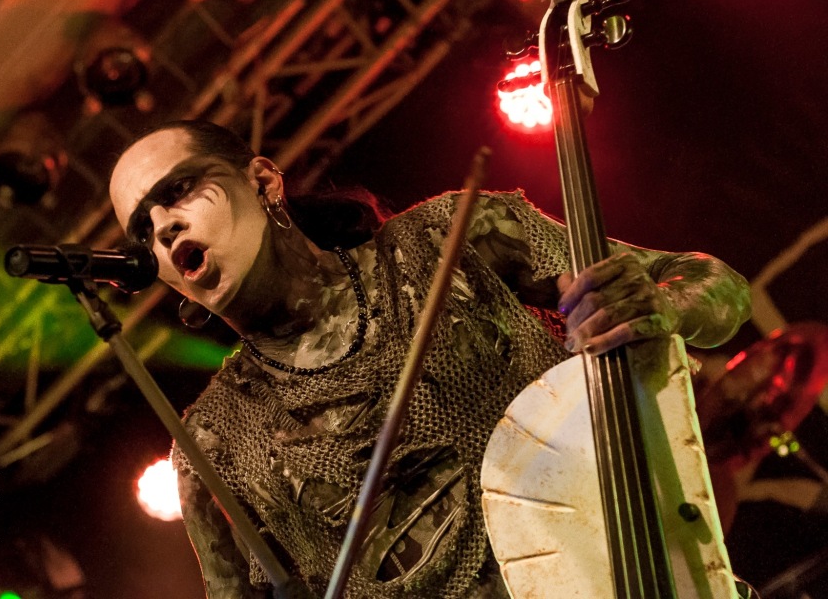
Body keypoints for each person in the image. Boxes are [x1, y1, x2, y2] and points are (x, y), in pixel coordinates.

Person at [108, 119, 752, 598]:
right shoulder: (212, 448)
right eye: (142, 229)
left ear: (263, 182)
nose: (162, 227)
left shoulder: (448, 238)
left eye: (181, 189)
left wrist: (657, 306)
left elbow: (719, 288)